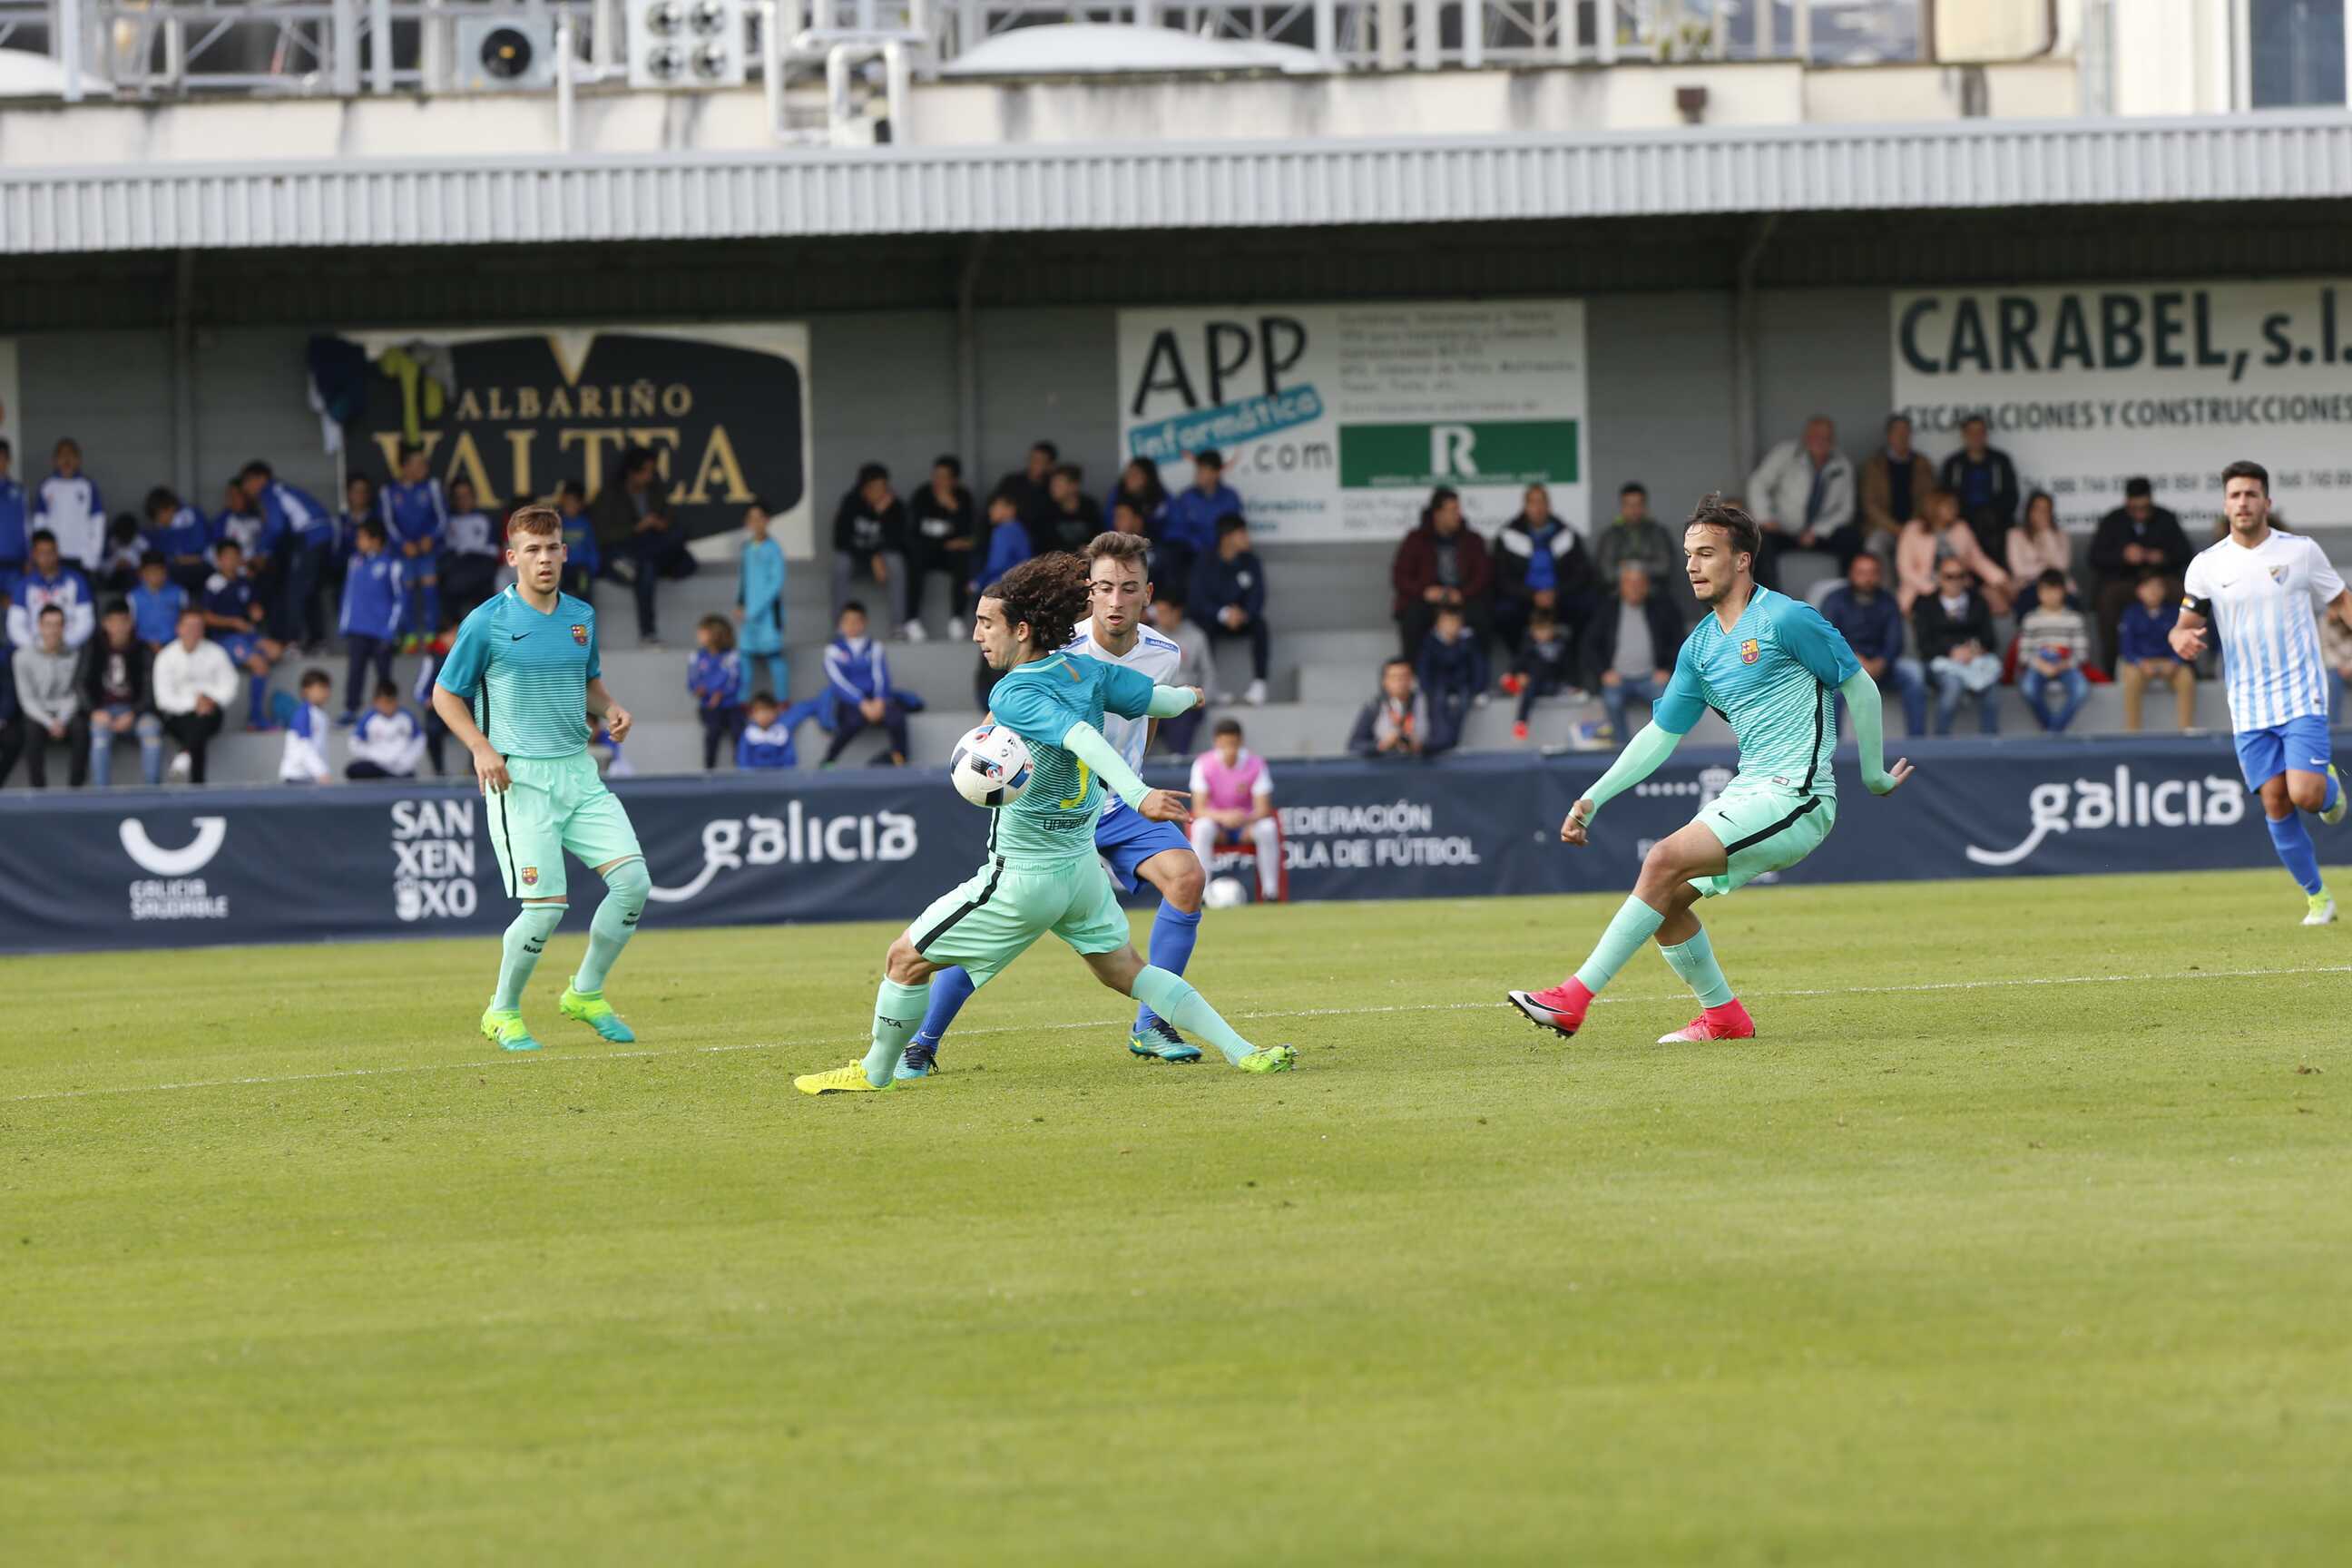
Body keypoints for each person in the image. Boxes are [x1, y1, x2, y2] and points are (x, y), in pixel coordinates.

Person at [793, 552, 1291, 1095]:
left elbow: (1080, 737)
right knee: (1127, 970)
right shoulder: (1087, 670)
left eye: (987, 623)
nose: (978, 636)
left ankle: (875, 1072)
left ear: (1022, 629)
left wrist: (1139, 794)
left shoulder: (1012, 692)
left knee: (904, 960)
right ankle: (1243, 1050)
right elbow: (1158, 701)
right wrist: (1191, 696)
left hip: (1025, 874)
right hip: (1080, 872)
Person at [1508, 495, 1911, 1045]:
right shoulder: (1698, 648)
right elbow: (1659, 736)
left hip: (1799, 796)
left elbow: (1860, 686)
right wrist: (1592, 798)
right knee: (1667, 900)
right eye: (1688, 555)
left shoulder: (1787, 618)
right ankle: (1724, 1018)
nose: (1692, 566)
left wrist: (1873, 775)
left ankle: (1572, 1000)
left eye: (1706, 554)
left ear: (1742, 560)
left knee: (1662, 858)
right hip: (1751, 790)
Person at [906, 531, 1213, 1074]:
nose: (1115, 600)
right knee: (995, 929)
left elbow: (1146, 722)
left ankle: (1153, 1025)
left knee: (1187, 879)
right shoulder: (1059, 648)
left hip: (1119, 802)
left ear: (1147, 594)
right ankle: (922, 1042)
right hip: (1051, 809)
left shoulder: (1164, 654)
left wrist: (1136, 784)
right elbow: (1000, 723)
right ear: (1088, 592)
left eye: (1129, 588)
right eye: (1104, 588)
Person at [431, 505, 649, 1053]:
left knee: (633, 883)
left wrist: (611, 707)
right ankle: (501, 1011)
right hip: (519, 779)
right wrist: (480, 747)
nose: (544, 558)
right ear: (513, 557)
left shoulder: (581, 617)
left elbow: (588, 680)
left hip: (578, 772)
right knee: (545, 909)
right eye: (532, 549)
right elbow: (444, 694)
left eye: (552, 548)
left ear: (565, 552)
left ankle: (585, 992)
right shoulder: (486, 622)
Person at [2171, 459, 2352, 925]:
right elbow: (2185, 624)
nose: (2243, 502)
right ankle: (2318, 898)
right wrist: (2181, 638)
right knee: (2275, 800)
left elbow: (2341, 600)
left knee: (2305, 794)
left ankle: (2329, 791)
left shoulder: (2300, 552)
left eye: (2251, 494)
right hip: (2248, 704)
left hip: (2301, 693)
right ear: (2225, 505)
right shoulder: (2207, 565)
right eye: (2235, 495)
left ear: (2267, 502)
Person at [592, 444, 693, 647]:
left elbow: (670, 519)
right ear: (632, 472)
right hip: (623, 548)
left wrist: (661, 523)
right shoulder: (610, 494)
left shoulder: (655, 491)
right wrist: (636, 528)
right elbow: (602, 535)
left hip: (651, 545)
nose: (650, 476)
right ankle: (648, 633)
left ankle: (639, 566)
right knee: (646, 568)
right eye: (645, 471)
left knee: (683, 555)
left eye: (652, 471)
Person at [2091, 476, 2193, 675]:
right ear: (2127, 503)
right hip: (2125, 582)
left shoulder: (2166, 518)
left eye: (2144, 508)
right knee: (2107, 598)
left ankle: (2187, 662)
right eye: (2135, 508)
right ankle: (2110, 669)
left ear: (2151, 501)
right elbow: (2095, 557)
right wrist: (2122, 555)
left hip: (2160, 580)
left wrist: (2162, 557)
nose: (2140, 513)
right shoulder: (2112, 520)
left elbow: (2184, 553)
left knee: (2185, 596)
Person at [1819, 551, 1926, 736]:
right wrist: (1855, 662)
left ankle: (1917, 742)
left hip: (1882, 666)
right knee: (1829, 685)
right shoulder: (1834, 599)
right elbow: (1827, 639)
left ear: (1880, 575)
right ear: (1851, 574)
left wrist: (1882, 661)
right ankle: (1833, 746)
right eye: (1861, 573)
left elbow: (1895, 640)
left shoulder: (1888, 600)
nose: (1867, 578)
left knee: (1914, 672)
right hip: (1845, 667)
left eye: (1872, 573)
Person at [1746, 416, 1855, 588]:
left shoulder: (1842, 465)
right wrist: (1766, 518)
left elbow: (1846, 510)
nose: (1820, 441)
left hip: (1820, 533)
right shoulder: (1786, 454)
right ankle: (1770, 597)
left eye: (1825, 437)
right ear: (1806, 437)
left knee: (1850, 538)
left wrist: (1817, 531)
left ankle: (1845, 593)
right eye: (1815, 436)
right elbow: (1758, 484)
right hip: (1783, 529)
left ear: (1833, 440)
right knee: (1760, 541)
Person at [1581, 561, 1683, 742]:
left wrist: (1667, 669)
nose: (1634, 588)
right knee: (1612, 701)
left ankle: (1658, 747)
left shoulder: (1662, 608)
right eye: (1629, 582)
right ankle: (1623, 748)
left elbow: (1679, 642)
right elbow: (1589, 645)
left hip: (1651, 677)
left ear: (1647, 586)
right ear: (1621, 585)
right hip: (1618, 679)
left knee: (1667, 701)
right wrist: (1603, 672)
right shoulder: (1607, 609)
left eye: (1639, 583)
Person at [1493, 482, 1597, 655]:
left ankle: (1569, 660)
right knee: (1503, 613)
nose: (1538, 508)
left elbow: (1581, 573)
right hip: (1525, 598)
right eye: (1533, 502)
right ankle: (1523, 660)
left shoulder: (1566, 533)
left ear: (1549, 505)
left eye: (1542, 502)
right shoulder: (1508, 535)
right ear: (1525, 506)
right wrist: (1532, 595)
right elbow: (1502, 577)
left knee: (1588, 607)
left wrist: (1556, 593)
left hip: (1559, 596)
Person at [1390, 486, 1495, 658]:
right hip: (1428, 600)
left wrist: (1462, 594)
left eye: (1458, 509)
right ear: (1438, 514)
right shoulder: (1416, 539)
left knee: (1482, 616)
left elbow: (1483, 574)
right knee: (1413, 618)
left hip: (1462, 598)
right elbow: (1400, 577)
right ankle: (1413, 670)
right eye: (1452, 510)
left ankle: (1479, 671)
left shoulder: (1472, 539)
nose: (1458, 515)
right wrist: (1425, 592)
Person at [240, 460, 333, 648]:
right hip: (322, 536)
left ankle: (292, 641)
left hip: (309, 536)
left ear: (261, 478)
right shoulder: (281, 490)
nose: (245, 487)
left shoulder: (270, 492)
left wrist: (261, 552)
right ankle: (317, 640)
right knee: (310, 590)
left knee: (294, 589)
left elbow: (276, 526)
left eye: (247, 481)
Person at [1189, 719, 1282, 903]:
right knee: (1201, 827)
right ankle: (1202, 894)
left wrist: (1243, 819)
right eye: (1224, 744)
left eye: (1233, 744)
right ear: (1216, 742)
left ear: (1240, 742)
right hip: (1217, 827)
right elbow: (1199, 809)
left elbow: (1263, 808)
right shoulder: (1202, 764)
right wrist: (1223, 817)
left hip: (1246, 826)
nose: (1229, 750)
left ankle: (1270, 893)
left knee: (1268, 828)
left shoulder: (1256, 764)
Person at [201, 538, 285, 732]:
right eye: (227, 557)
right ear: (219, 560)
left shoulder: (244, 581)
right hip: (224, 638)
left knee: (276, 651)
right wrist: (232, 622)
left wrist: (256, 612)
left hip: (246, 635)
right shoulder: (214, 583)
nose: (231, 561)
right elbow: (205, 617)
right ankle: (255, 718)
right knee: (260, 665)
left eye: (235, 557)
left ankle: (248, 656)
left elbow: (252, 606)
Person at [78, 601, 162, 787]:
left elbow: (150, 690)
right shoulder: (92, 647)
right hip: (103, 711)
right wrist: (93, 711)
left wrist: (133, 713)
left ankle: (153, 793)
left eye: (123, 621)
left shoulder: (143, 649)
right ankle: (102, 794)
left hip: (136, 712)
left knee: (152, 736)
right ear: (105, 624)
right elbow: (81, 684)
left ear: (130, 623)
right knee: (99, 738)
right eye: (113, 622)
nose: (119, 627)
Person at [1914, 562, 2002, 735]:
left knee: (1991, 686)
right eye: (1949, 576)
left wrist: (1974, 650)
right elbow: (1923, 645)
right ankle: (1941, 741)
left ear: (1966, 579)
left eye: (1960, 576)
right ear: (1939, 578)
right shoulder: (1926, 604)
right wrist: (1951, 652)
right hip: (1939, 662)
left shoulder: (1978, 602)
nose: (1954, 581)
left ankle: (1990, 742)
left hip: (1975, 660)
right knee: (1953, 686)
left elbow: (1990, 640)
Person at [1191, 514, 1270, 706]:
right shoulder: (1205, 561)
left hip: (1243, 619)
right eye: (1242, 534)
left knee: (1261, 626)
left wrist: (1244, 614)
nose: (1247, 538)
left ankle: (1259, 684)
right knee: (1203, 629)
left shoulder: (1251, 561)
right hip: (1216, 619)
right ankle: (1211, 687)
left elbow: (1258, 595)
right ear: (1226, 537)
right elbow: (1198, 599)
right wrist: (1224, 613)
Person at [1896, 488, 2012, 615]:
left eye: (1955, 505)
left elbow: (1977, 560)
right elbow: (1905, 569)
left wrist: (2001, 579)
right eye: (1949, 506)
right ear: (1934, 507)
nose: (1955, 509)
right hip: (1923, 590)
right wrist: (1933, 589)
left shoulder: (1961, 528)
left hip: (1959, 585)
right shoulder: (1913, 529)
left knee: (1995, 599)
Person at [820, 602, 909, 766]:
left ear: (864, 623)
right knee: (851, 722)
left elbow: (881, 676)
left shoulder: (875, 647)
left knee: (896, 717)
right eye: (847, 621)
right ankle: (829, 760)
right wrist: (861, 703)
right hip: (851, 703)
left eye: (856, 621)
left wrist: (879, 700)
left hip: (876, 700)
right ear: (840, 624)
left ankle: (900, 758)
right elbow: (839, 683)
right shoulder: (833, 650)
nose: (852, 625)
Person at [151, 607, 233, 784]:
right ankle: (197, 781)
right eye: (189, 626)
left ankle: (184, 754)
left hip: (210, 712)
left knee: (202, 719)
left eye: (197, 627)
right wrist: (194, 703)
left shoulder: (216, 653)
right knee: (196, 724)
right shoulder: (166, 657)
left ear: (203, 630)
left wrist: (209, 700)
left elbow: (229, 685)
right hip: (177, 716)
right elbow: (163, 699)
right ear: (178, 628)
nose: (193, 631)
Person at [831, 461, 911, 636]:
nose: (880, 492)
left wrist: (882, 515)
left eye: (883, 487)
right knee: (841, 563)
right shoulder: (851, 503)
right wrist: (872, 556)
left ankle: (898, 625)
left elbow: (899, 542)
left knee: (896, 562)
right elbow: (841, 541)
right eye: (874, 488)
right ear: (864, 489)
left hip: (883, 561)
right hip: (857, 558)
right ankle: (841, 627)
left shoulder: (894, 506)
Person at [378, 442, 446, 646]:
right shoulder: (389, 491)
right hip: (402, 551)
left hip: (427, 548)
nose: (423, 469)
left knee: (429, 587)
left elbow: (442, 518)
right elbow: (387, 523)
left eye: (424, 464)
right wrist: (403, 544)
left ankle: (431, 633)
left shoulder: (432, 487)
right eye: (418, 464)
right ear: (404, 466)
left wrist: (430, 538)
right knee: (405, 590)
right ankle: (409, 636)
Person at [338, 519, 405, 722]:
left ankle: (387, 711)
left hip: (382, 631)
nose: (358, 541)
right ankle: (351, 709)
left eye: (362, 537)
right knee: (355, 671)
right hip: (358, 628)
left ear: (376, 540)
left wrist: (391, 630)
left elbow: (400, 599)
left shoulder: (392, 565)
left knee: (383, 674)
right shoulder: (354, 562)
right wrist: (345, 623)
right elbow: (348, 594)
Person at [2117, 569, 2197, 732]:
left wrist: (2175, 661)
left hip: (2169, 662)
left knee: (2186, 678)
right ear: (2139, 591)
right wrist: (2140, 663)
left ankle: (2186, 729)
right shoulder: (2130, 613)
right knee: (2131, 679)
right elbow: (2126, 648)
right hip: (2140, 663)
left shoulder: (2175, 612)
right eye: (2148, 587)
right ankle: (2133, 731)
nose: (2153, 591)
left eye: (2158, 586)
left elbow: (2183, 641)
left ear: (2164, 590)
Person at [906, 456, 977, 638]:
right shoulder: (922, 495)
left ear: (954, 480)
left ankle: (957, 619)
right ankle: (912, 620)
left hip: (950, 553)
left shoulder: (963, 497)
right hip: (925, 551)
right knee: (914, 559)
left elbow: (969, 533)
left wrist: (953, 508)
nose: (939, 481)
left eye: (944, 477)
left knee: (963, 559)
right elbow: (912, 531)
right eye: (936, 475)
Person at [15, 603, 85, 787]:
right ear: (39, 626)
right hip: (37, 713)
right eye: (48, 625)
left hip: (65, 711)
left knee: (81, 729)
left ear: (64, 627)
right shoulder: (22, 657)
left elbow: (75, 692)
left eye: (58, 625)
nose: (53, 630)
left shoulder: (75, 655)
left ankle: (76, 790)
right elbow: (27, 699)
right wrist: (50, 722)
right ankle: (38, 791)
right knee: (31, 731)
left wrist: (61, 719)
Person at [2016, 569, 2092, 733]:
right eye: (2046, 591)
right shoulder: (2030, 619)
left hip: (2066, 665)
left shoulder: (2075, 619)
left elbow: (2082, 654)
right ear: (2038, 593)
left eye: (2055, 590)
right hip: (2039, 664)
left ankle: (2053, 730)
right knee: (2028, 688)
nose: (2050, 595)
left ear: (2063, 591)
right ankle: (2054, 729)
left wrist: (2061, 666)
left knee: (2082, 690)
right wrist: (2041, 665)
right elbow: (2024, 654)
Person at [1853, 414, 1935, 564]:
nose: (1902, 436)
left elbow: (1929, 500)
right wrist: (1896, 529)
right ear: (1889, 435)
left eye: (1906, 431)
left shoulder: (1923, 464)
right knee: (1875, 545)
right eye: (1897, 431)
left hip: (1916, 527)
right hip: (1883, 528)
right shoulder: (1873, 465)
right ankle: (1885, 581)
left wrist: (1912, 527)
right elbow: (1870, 505)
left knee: (1933, 543)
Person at [1937, 415, 2021, 562]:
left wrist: (1994, 515)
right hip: (1962, 521)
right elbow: (1944, 498)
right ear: (1964, 435)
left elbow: (2011, 497)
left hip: (1995, 523)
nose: (1976, 436)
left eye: (1980, 432)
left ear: (1986, 434)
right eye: (1971, 432)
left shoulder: (2001, 460)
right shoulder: (1953, 463)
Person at [1160, 447, 1241, 593]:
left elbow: (1235, 529)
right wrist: (1195, 543)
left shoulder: (1230, 497)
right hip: (1192, 553)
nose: (1198, 475)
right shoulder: (1187, 497)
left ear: (1216, 473)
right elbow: (1176, 529)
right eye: (1198, 470)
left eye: (1204, 471)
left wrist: (1218, 548)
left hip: (1221, 553)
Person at [1415, 603, 1486, 756]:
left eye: (1455, 622)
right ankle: (1440, 740)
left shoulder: (1468, 641)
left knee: (1462, 704)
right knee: (1438, 702)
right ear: (1438, 624)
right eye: (1447, 622)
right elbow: (1424, 667)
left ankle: (1452, 742)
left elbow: (1478, 666)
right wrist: (1426, 688)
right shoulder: (1430, 641)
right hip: (1439, 685)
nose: (1451, 626)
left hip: (1462, 684)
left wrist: (1478, 689)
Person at [736, 495, 789, 702]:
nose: (756, 523)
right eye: (751, 518)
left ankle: (783, 700)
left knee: (774, 656)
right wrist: (740, 603)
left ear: (767, 520)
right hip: (749, 616)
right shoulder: (747, 548)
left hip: (768, 615)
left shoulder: (774, 549)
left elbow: (776, 583)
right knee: (745, 657)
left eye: (760, 518)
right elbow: (744, 579)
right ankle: (743, 701)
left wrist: (755, 608)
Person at [6, 530, 95, 650]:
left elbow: (86, 623)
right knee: (20, 657)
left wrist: (63, 644)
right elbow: (15, 626)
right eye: (42, 553)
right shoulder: (24, 585)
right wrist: (37, 647)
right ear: (34, 555)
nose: (47, 557)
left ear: (58, 552)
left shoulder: (76, 581)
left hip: (69, 648)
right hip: (34, 648)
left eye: (51, 552)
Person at [1503, 604, 1579, 742]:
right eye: (1538, 630)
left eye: (1546, 629)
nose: (1542, 634)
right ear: (1532, 630)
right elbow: (1520, 661)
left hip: (1553, 682)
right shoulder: (1529, 645)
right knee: (1528, 692)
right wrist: (1514, 673)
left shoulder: (1561, 644)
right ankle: (1521, 722)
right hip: (1533, 682)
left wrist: (1573, 683)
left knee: (1555, 687)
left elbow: (1569, 666)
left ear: (1553, 629)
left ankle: (1565, 689)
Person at [1149, 593, 1212, 754]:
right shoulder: (1149, 636)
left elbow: (1207, 671)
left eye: (1163, 612)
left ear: (1176, 612)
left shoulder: (1195, 636)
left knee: (1181, 717)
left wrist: (1204, 697)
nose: (1159, 616)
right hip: (1154, 694)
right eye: (1157, 612)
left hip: (1184, 696)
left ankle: (1178, 761)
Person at [1591, 483, 1679, 596]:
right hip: (1617, 596)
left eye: (1638, 504)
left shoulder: (1658, 533)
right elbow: (1607, 573)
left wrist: (1630, 566)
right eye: (1629, 505)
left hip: (1653, 595)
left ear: (1645, 506)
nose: (1633, 510)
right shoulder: (1610, 535)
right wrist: (1641, 570)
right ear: (1622, 506)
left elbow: (1664, 567)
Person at [438, 476, 502, 625]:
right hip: (456, 564)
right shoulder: (447, 521)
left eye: (466, 495)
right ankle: (453, 627)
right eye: (458, 496)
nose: (463, 500)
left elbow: (493, 550)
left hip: (481, 562)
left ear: (473, 496)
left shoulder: (484, 519)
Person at [34, 437, 103, 573]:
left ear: (78, 460)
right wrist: (41, 554)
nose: (66, 459)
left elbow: (97, 521)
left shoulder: (88, 486)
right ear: (55, 460)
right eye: (62, 455)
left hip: (81, 556)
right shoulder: (47, 486)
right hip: (53, 556)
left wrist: (94, 553)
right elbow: (39, 522)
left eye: (71, 454)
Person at [689, 613, 744, 771]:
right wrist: (701, 691)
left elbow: (735, 680)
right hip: (709, 706)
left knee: (738, 731)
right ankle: (709, 770)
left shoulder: (732, 656)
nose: (698, 636)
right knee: (713, 731)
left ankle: (741, 766)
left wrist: (720, 693)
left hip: (731, 705)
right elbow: (693, 681)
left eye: (702, 632)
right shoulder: (696, 657)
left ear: (715, 635)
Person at [1348, 658, 1427, 760]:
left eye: (1404, 676)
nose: (1400, 681)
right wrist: (1381, 745)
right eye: (1394, 677)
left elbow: (1443, 739)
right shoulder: (1373, 706)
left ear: (1412, 679)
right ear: (1385, 681)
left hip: (1420, 764)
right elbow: (1354, 745)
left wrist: (1421, 745)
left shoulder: (1427, 704)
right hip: (1385, 765)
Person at [348, 680, 427, 779]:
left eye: (391, 702)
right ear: (376, 702)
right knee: (354, 770)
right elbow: (355, 742)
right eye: (384, 702)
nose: (388, 706)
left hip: (401, 768)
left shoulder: (407, 717)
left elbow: (419, 740)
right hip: (376, 766)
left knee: (407, 777)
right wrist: (375, 756)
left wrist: (407, 760)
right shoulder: (368, 718)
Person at [2007, 489, 2076, 601]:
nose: (2041, 514)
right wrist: (2047, 566)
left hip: (2058, 586)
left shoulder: (2061, 535)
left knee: (2068, 601)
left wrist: (2047, 533)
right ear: (2029, 511)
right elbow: (2019, 570)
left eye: (2046, 510)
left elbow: (2062, 566)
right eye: (2037, 509)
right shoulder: (2015, 535)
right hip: (2027, 587)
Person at [147, 485, 213, 594]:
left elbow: (205, 549)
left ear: (170, 508)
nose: (159, 521)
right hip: (174, 569)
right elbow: (159, 556)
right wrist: (175, 559)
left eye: (160, 516)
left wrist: (187, 559)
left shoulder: (194, 517)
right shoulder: (158, 530)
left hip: (201, 565)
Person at [274, 668, 335, 785]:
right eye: (321, 687)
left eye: (327, 688)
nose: (325, 692)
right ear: (306, 690)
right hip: (297, 775)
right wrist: (321, 772)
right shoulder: (303, 714)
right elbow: (304, 744)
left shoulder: (321, 716)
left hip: (311, 776)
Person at [1032, 463, 1102, 557]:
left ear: (1073, 486)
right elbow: (1045, 545)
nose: (1052, 489)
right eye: (1052, 484)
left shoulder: (1089, 507)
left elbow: (1100, 537)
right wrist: (1076, 549)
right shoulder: (1046, 510)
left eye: (1058, 485)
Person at [972, 491, 1032, 601]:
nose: (991, 510)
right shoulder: (1020, 530)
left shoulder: (1003, 531)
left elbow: (996, 565)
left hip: (1001, 589)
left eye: (996, 506)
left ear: (1011, 509)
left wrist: (977, 582)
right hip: (1020, 587)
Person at [990, 440, 1058, 534]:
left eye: (1040, 461)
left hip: (1041, 537)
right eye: (1032, 459)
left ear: (1050, 465)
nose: (1034, 464)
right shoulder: (1012, 482)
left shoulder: (1053, 486)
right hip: (1011, 532)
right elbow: (994, 509)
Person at [129, 553, 187, 652]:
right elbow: (131, 627)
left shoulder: (180, 593)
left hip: (175, 646)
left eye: (159, 570)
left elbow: (186, 622)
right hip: (143, 647)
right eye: (151, 571)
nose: (155, 575)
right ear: (141, 573)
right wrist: (149, 642)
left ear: (165, 572)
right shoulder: (132, 597)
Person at [554, 479, 599, 603]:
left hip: (581, 568)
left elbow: (592, 547)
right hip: (563, 567)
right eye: (567, 503)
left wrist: (594, 567)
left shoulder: (585, 524)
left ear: (581, 505)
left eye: (573, 503)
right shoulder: (557, 523)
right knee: (561, 595)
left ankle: (584, 615)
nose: (569, 507)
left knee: (583, 591)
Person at [1106, 456, 1168, 543]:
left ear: (1147, 478)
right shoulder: (1116, 495)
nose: (1129, 478)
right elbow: (1109, 527)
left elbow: (1173, 532)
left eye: (1135, 475)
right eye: (1128, 474)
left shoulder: (1161, 498)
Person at [735, 691, 796, 769]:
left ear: (776, 712)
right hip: (754, 776)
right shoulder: (748, 734)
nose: (764, 715)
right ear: (752, 714)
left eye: (768, 711)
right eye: (760, 711)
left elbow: (789, 758)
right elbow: (743, 759)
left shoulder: (781, 732)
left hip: (778, 775)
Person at [0, 437, 23, 586]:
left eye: (2, 458)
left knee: (14, 600)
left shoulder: (19, 492)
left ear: (8, 461)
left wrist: (29, 558)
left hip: (14, 563)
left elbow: (27, 526)